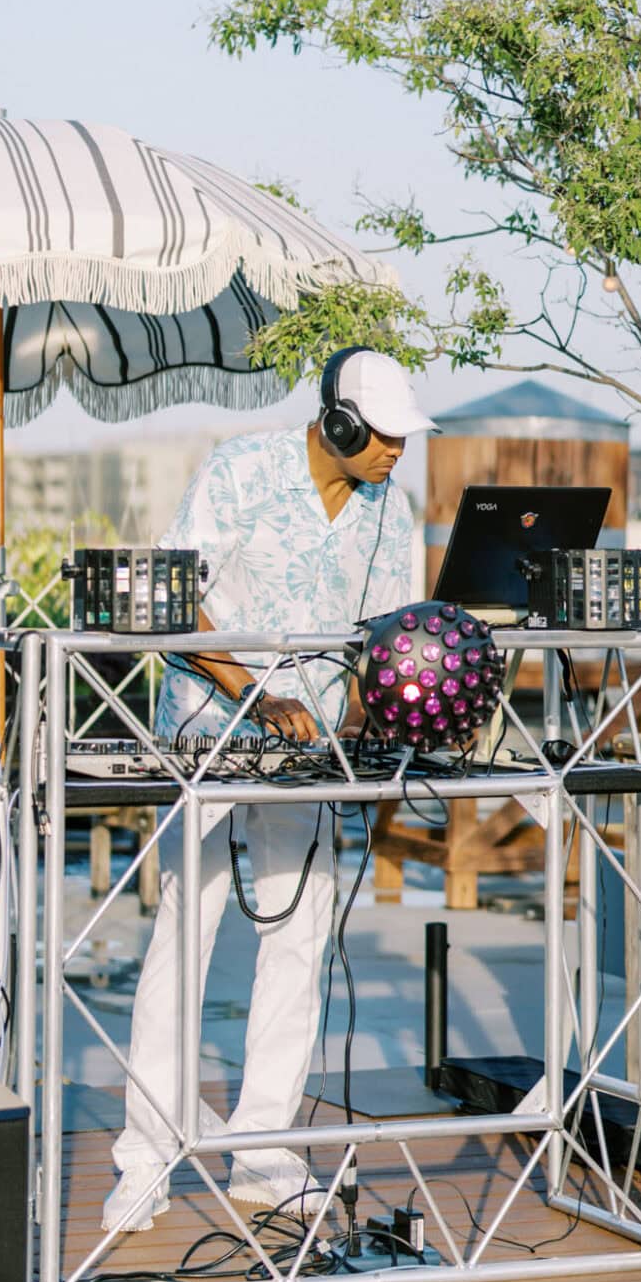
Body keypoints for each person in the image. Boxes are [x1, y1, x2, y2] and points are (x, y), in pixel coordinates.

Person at [102, 348, 434, 1233]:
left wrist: (388, 715)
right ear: (338, 424)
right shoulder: (240, 470)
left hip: (310, 751)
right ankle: (145, 1156)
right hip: (208, 730)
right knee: (187, 931)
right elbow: (172, 600)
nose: (395, 452)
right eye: (384, 436)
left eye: (404, 437)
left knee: (298, 938)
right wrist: (256, 691)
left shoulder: (386, 511)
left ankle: (263, 1149)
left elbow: (392, 630)